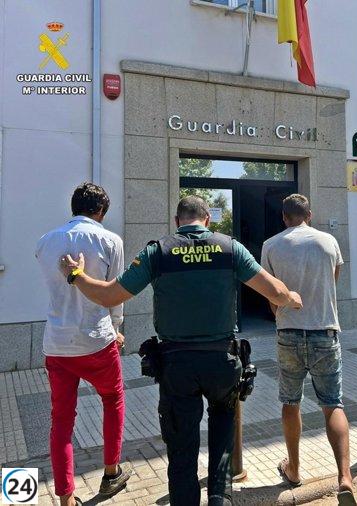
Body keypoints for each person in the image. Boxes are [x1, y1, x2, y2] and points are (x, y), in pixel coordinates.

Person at [59, 195, 303, 506]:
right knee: (222, 440)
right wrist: (292, 297)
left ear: (177, 222)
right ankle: (220, 498)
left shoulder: (157, 252)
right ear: (207, 220)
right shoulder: (230, 248)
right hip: (222, 364)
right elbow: (276, 292)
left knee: (181, 449)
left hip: (177, 366)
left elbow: (108, 296)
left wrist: (76, 275)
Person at [35, 183, 132, 506]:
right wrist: (117, 328)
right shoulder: (110, 241)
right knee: (112, 400)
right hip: (97, 339)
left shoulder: (45, 242)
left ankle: (65, 497)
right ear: (101, 211)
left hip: (56, 342)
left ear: (73, 207)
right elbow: (114, 292)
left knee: (61, 420)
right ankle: (111, 472)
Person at [261, 194, 356, 506]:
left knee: (290, 402)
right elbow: (333, 281)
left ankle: (294, 469)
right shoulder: (329, 242)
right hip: (325, 332)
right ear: (309, 215)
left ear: (284, 217)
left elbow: (271, 294)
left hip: (288, 332)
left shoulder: (271, 245)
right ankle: (345, 477)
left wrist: (280, 312)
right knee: (333, 404)